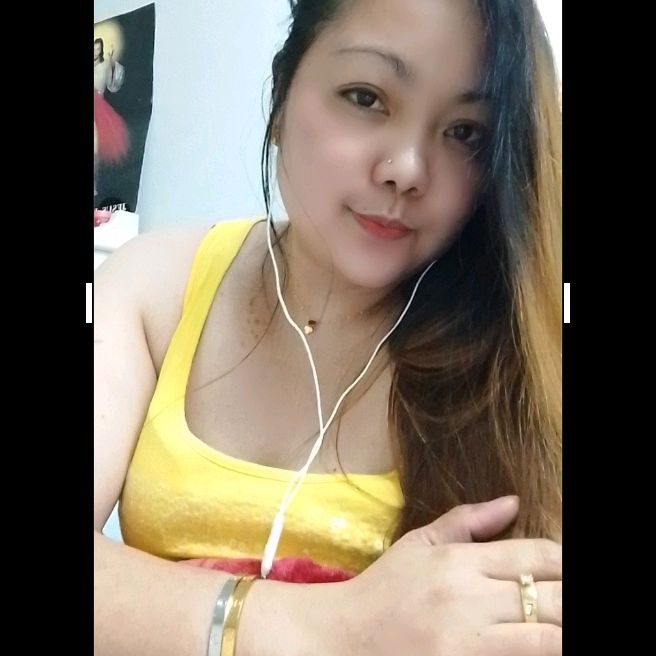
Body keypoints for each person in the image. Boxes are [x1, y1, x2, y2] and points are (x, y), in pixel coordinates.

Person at [94, 0, 562, 654]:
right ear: (282, 93)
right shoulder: (155, 285)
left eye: (465, 133)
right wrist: (334, 626)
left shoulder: (523, 356)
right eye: (366, 97)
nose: (407, 168)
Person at [94, 37, 129, 197]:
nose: (95, 52)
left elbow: (113, 86)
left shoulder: (105, 65)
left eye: (98, 49)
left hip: (98, 109)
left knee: (95, 151)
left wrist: (113, 63)